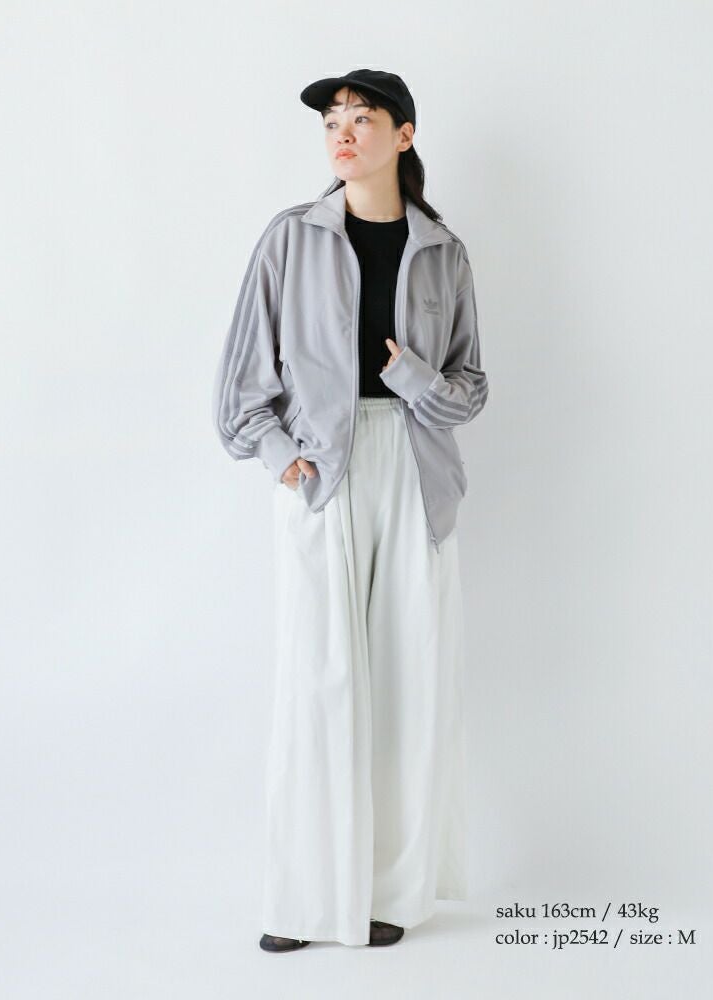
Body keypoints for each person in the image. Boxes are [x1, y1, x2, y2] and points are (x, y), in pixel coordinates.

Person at [212, 68, 489, 950]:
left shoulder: (443, 251)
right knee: (318, 682)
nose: (342, 132)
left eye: (362, 118)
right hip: (321, 472)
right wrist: (280, 457)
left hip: (415, 468)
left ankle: (390, 897)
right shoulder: (291, 237)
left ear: (403, 136)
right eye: (333, 119)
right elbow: (241, 385)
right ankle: (304, 901)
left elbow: (471, 387)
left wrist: (412, 377)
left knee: (409, 682)